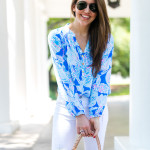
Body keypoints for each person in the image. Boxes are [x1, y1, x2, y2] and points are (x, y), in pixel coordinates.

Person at [48, 0, 114, 149]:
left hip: (96, 107)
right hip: (67, 106)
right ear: (74, 7)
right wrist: (79, 114)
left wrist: (95, 114)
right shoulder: (57, 37)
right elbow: (64, 79)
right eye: (82, 5)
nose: (87, 10)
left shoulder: (106, 39)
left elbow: (103, 78)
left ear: (98, 12)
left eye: (93, 7)